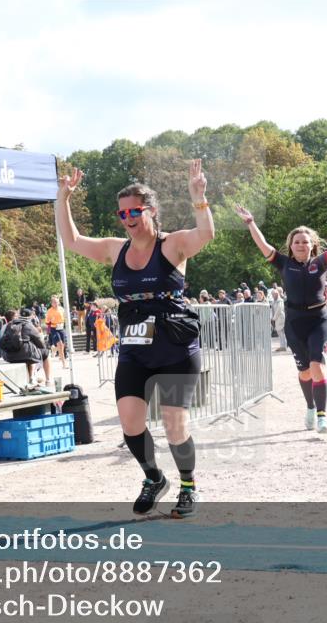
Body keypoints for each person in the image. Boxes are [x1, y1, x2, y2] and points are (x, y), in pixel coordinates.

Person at [55, 160, 214, 518]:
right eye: (122, 212)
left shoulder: (172, 245)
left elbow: (205, 235)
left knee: (175, 424)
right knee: (130, 421)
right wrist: (62, 200)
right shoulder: (115, 250)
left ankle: (189, 486)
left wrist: (198, 199)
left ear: (151, 211)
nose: (127, 217)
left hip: (176, 347)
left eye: (135, 211)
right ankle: (153, 477)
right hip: (136, 349)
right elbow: (72, 240)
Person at [236, 203, 327, 433]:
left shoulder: (320, 262)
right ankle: (310, 407)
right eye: (297, 242)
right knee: (304, 372)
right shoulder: (283, 263)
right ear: (291, 246)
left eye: (305, 241)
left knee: (316, 366)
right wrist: (251, 223)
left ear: (313, 245)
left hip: (318, 319)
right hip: (294, 322)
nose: (301, 245)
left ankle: (323, 417)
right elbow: (263, 245)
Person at [44, 295, 68, 368]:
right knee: (60, 344)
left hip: (61, 328)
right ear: (51, 303)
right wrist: (51, 320)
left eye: (57, 302)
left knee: (63, 345)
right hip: (54, 328)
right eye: (54, 302)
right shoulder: (49, 311)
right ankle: (64, 364)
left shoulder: (62, 309)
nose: (55, 303)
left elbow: (65, 317)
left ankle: (54, 349)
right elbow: (47, 321)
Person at [270, 287, 287, 352]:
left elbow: (279, 310)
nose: (273, 295)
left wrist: (274, 318)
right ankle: (282, 346)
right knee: (280, 333)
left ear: (277, 294)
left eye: (273, 294)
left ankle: (283, 346)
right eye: (272, 294)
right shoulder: (274, 301)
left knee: (281, 333)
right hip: (276, 318)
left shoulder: (280, 301)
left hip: (280, 318)